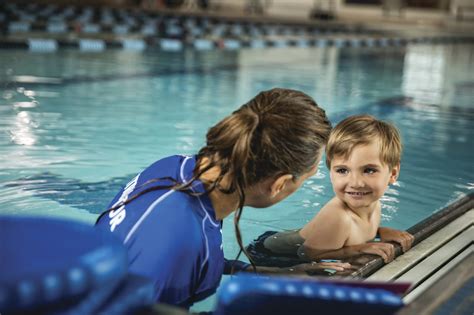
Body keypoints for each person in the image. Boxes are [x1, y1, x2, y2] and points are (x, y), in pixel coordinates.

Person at [95, 88, 351, 309]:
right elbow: (171, 261)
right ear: (279, 184)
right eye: (306, 178)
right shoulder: (182, 242)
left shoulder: (175, 169)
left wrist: (277, 273)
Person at [260, 114, 414, 265]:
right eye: (342, 170)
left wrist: (380, 232)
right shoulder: (339, 216)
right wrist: (359, 250)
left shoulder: (374, 204)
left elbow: (355, 233)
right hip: (271, 253)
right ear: (330, 172)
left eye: (369, 170)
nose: (356, 183)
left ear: (392, 174)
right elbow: (306, 253)